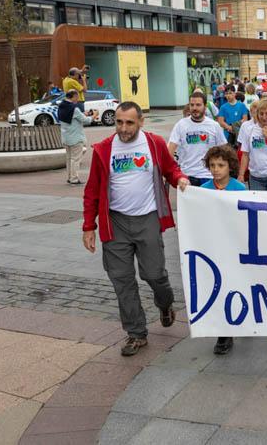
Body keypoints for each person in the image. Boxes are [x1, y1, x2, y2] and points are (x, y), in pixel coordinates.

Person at [82, 102, 189, 356]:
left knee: (154, 274)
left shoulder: (154, 144)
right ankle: (136, 333)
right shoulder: (104, 149)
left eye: (129, 122)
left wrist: (180, 179)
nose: (123, 128)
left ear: (141, 121)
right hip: (116, 223)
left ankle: (165, 303)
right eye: (119, 122)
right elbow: (92, 190)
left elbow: (170, 169)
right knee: (122, 279)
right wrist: (88, 226)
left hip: (148, 218)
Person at [198, 144, 246, 355]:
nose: (216, 169)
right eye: (212, 165)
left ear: (230, 166)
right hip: (212, 247)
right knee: (217, 287)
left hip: (234, 247)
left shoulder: (239, 189)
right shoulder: (203, 189)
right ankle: (223, 332)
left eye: (221, 165)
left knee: (234, 285)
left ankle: (236, 323)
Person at [169, 92, 227, 186]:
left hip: (209, 176)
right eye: (192, 105)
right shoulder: (181, 125)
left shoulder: (214, 126)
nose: (194, 108)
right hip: (187, 176)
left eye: (198, 105)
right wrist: (173, 172)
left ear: (205, 106)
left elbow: (224, 151)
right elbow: (170, 151)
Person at [58, 89, 97, 185]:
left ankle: (70, 177)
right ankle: (74, 179)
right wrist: (94, 116)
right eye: (77, 97)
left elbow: (72, 117)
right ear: (74, 96)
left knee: (69, 159)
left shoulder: (61, 106)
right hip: (75, 138)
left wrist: (83, 114)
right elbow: (86, 121)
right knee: (75, 159)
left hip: (66, 137)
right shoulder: (74, 108)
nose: (78, 99)